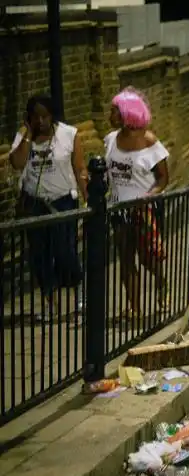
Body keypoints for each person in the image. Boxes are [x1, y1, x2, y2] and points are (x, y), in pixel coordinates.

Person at [9, 94, 87, 321]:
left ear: (52, 116)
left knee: (65, 252)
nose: (41, 121)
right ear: (28, 118)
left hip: (62, 201)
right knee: (40, 256)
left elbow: (80, 168)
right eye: (35, 117)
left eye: (45, 116)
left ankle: (79, 295)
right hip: (35, 203)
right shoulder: (24, 138)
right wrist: (27, 135)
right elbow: (17, 163)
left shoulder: (69, 135)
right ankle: (49, 302)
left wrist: (88, 199)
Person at [104, 87, 170, 318]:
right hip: (119, 210)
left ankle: (162, 285)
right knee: (125, 257)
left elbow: (163, 177)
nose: (110, 116)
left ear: (128, 113)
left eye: (115, 111)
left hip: (145, 209)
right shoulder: (110, 140)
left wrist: (151, 195)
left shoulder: (148, 141)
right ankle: (134, 308)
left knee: (149, 258)